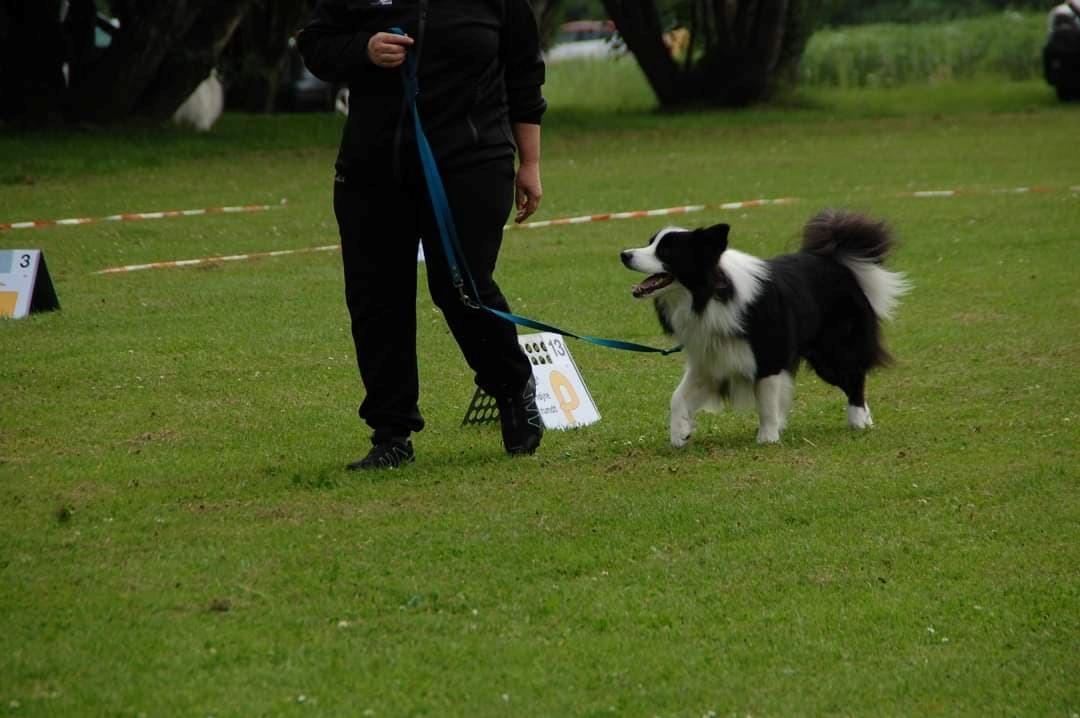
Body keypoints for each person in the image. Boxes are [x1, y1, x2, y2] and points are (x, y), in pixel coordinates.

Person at [298, 0, 547, 470]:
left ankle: (512, 387)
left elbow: (524, 73)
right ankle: (391, 433)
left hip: (472, 160)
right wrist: (363, 50)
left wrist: (530, 164)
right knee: (377, 299)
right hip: (373, 166)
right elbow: (315, 45)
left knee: (461, 287)